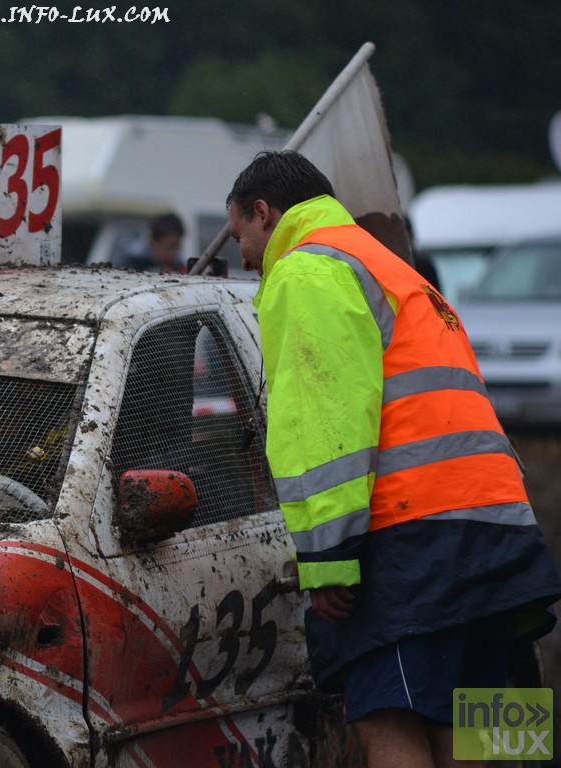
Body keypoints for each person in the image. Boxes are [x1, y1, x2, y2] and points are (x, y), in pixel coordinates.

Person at [225, 150, 561, 768]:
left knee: (387, 718)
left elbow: (326, 424)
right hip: (501, 529)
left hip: (411, 538)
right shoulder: (395, 268)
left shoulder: (305, 271)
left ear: (264, 213)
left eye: (241, 234)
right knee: (484, 729)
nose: (244, 258)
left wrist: (328, 561)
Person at [118, 212, 186, 272]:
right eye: (168, 247)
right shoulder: (129, 267)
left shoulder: (178, 267)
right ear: (151, 240)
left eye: (177, 247)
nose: (173, 254)